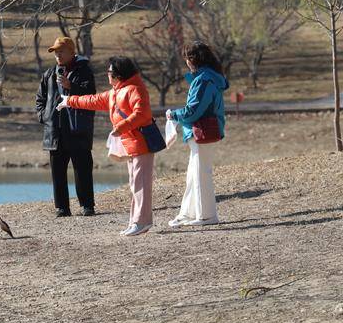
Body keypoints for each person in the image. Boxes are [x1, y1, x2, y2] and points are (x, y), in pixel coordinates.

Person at [58, 56, 155, 236]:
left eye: (110, 72)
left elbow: (142, 114)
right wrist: (69, 101)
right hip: (132, 144)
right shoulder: (115, 92)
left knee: (140, 185)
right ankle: (137, 222)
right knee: (135, 184)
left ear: (119, 74)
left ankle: (141, 222)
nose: (107, 74)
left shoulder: (135, 89)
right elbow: (92, 100)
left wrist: (120, 128)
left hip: (141, 143)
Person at [166, 41, 229, 227]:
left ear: (192, 60)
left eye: (186, 58)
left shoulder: (203, 80)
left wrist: (173, 114)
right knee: (194, 174)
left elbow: (193, 111)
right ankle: (188, 213)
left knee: (201, 174)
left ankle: (207, 216)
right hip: (203, 131)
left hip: (202, 131)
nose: (185, 62)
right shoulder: (209, 77)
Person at [35, 37, 96, 217]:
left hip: (77, 129)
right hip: (55, 131)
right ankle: (62, 207)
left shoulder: (84, 71)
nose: (58, 55)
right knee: (58, 172)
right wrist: (45, 117)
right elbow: (40, 99)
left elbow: (91, 96)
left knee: (82, 169)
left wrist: (71, 86)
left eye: (61, 51)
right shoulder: (49, 74)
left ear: (71, 52)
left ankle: (87, 206)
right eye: (55, 52)